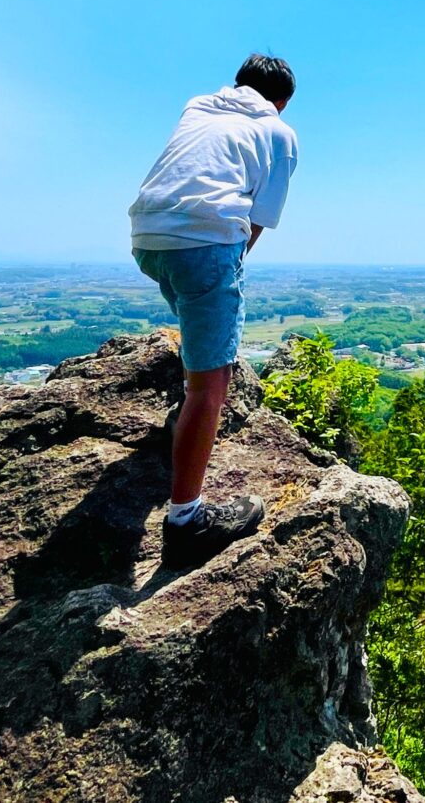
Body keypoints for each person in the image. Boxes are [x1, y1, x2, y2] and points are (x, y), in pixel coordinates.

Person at [129, 54, 298, 569]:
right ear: (282, 101)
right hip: (203, 241)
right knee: (212, 384)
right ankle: (185, 521)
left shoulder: (197, 108)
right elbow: (258, 220)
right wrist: (225, 268)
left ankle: (184, 421)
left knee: (193, 325)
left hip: (146, 238)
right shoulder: (278, 132)